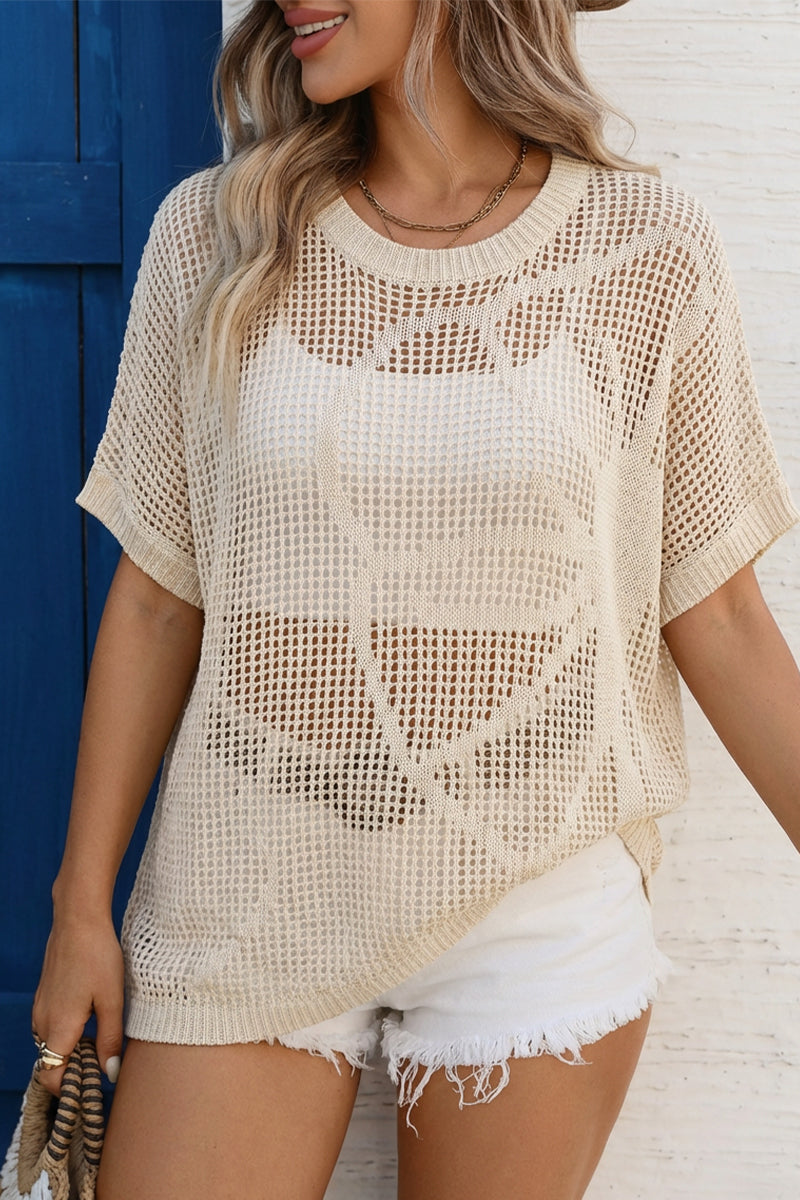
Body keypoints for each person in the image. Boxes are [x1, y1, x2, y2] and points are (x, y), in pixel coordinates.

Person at [30, 1, 800, 1197]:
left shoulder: (642, 245)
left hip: (533, 883)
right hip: (251, 872)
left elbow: (717, 611)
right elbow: (157, 597)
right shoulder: (220, 230)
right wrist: (81, 907)